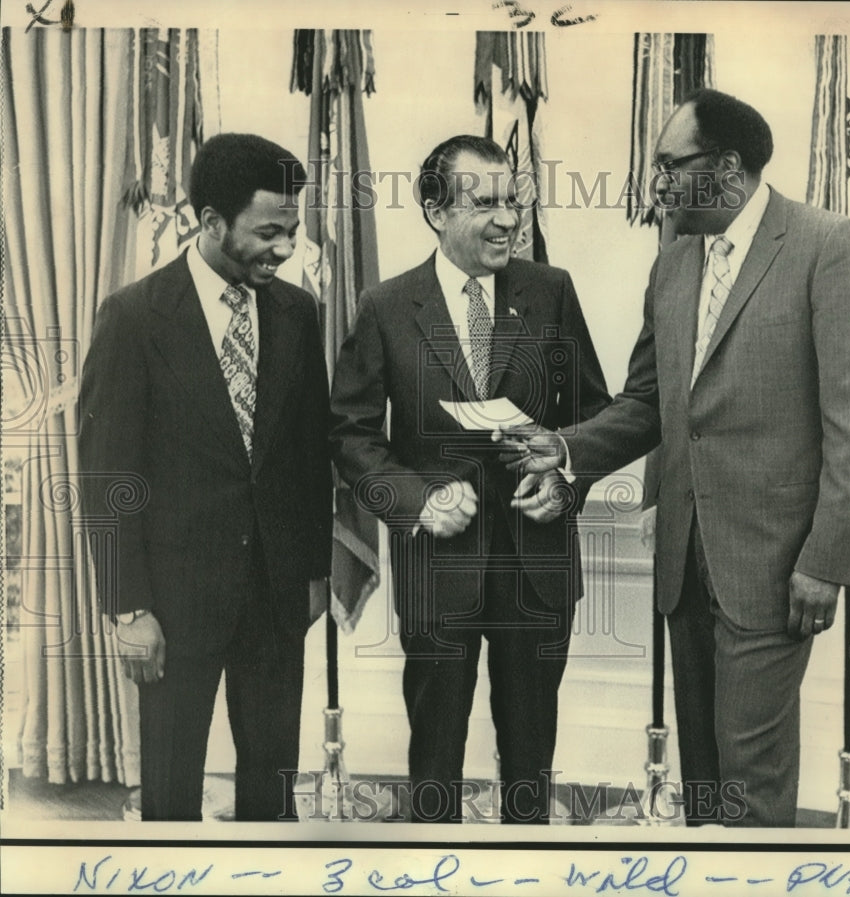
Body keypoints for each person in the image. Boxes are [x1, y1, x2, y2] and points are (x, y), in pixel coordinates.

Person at [500, 89, 850, 827]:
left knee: (751, 784)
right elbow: (648, 403)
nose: (655, 184)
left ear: (728, 168)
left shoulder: (828, 246)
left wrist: (827, 559)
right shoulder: (675, 266)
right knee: (707, 787)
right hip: (685, 567)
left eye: (669, 165)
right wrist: (564, 448)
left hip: (777, 570)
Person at [329, 135, 610, 823]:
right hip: (437, 570)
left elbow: (596, 415)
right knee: (434, 769)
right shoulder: (386, 306)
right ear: (434, 210)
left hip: (536, 570)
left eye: (511, 199)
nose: (507, 219)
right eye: (483, 202)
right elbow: (350, 433)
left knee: (528, 768)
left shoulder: (552, 292)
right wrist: (418, 503)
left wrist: (565, 481)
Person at [79, 133, 333, 821]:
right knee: (169, 799)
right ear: (211, 222)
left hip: (278, 602)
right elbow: (107, 477)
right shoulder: (133, 318)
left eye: (293, 230)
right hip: (171, 605)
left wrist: (312, 573)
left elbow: (311, 455)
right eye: (267, 232)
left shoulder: (298, 312)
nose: (284, 249)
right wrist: (129, 609)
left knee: (271, 798)